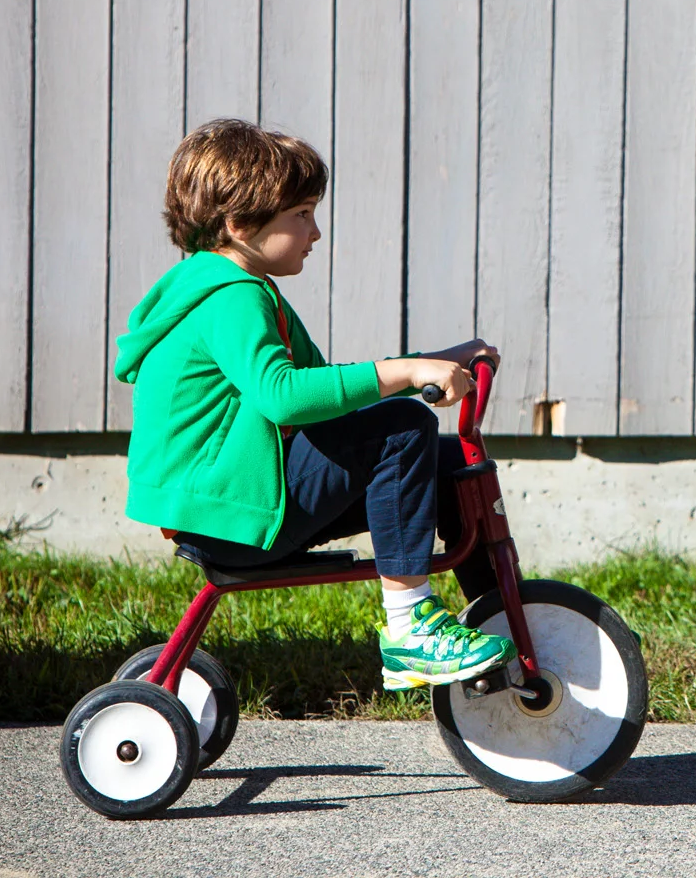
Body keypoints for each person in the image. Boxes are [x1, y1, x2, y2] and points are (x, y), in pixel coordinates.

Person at [112, 118, 513, 691]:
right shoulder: (231, 298)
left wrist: (432, 359)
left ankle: (496, 622)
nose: (315, 232)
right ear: (239, 225)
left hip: (241, 499)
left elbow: (323, 389)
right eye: (301, 215)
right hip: (230, 518)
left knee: (448, 464)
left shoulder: (238, 288)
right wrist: (407, 376)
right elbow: (284, 397)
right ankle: (410, 631)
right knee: (403, 429)